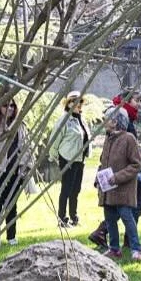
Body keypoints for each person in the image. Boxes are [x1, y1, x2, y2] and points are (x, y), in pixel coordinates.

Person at [96, 106, 141, 260]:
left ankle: (136, 249)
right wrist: (98, 178)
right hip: (108, 189)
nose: (104, 122)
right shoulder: (108, 139)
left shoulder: (128, 139)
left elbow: (137, 165)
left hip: (122, 189)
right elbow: (103, 162)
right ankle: (114, 248)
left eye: (107, 119)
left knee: (127, 218)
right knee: (110, 219)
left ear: (115, 121)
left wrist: (118, 177)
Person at [0, 98, 28, 245]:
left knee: (11, 205)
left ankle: (11, 236)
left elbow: (26, 147)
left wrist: (24, 166)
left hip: (14, 171)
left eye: (12, 106)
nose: (9, 108)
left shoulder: (19, 125)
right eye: (6, 105)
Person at [50, 91, 91, 228]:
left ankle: (74, 217)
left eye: (80, 101)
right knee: (66, 189)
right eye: (74, 101)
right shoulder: (64, 120)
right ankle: (62, 218)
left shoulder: (81, 120)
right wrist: (54, 156)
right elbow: (54, 140)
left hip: (80, 159)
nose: (78, 104)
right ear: (68, 104)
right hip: (67, 158)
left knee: (76, 189)